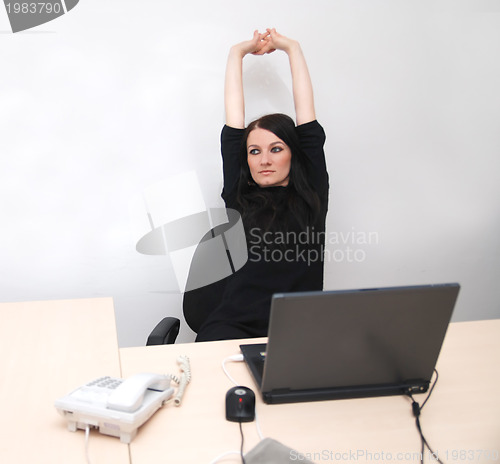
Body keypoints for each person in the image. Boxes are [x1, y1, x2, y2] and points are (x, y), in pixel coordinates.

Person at [195, 29, 329, 342]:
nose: (264, 159)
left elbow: (307, 122)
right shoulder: (238, 197)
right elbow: (233, 122)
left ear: (294, 155)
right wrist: (237, 53)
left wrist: (291, 47)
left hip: (296, 330)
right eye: (255, 151)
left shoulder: (311, 196)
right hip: (232, 326)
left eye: (276, 149)